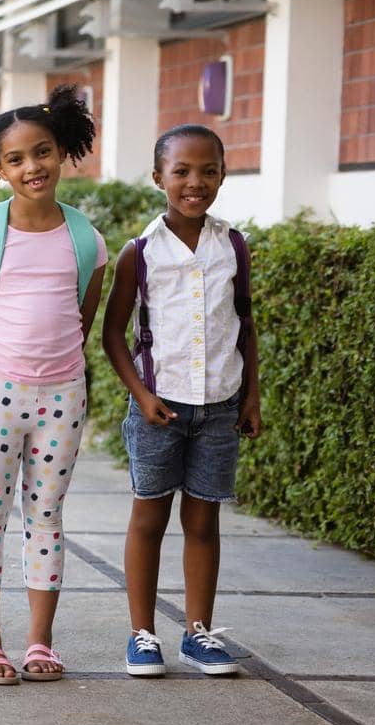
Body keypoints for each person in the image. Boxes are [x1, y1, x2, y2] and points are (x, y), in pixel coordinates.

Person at [0, 84, 106, 685]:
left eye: (42, 152)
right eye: (15, 159)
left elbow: (82, 315)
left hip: (62, 395)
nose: (31, 167)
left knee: (48, 516)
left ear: (63, 151)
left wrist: (51, 367)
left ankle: (40, 642)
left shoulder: (85, 238)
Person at [102, 124, 260, 677]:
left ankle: (198, 634)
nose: (196, 183)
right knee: (149, 517)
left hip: (220, 406)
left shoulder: (232, 245)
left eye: (209, 171)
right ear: (159, 178)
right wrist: (141, 396)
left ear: (222, 174)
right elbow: (112, 336)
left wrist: (252, 397)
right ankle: (142, 634)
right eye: (183, 172)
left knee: (204, 521)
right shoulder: (140, 253)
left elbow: (244, 325)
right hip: (160, 408)